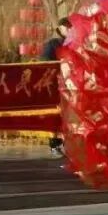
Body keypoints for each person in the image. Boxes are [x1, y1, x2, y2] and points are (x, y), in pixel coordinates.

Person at [39, 18, 71, 156]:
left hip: (72, 85)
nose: (69, 29)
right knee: (55, 115)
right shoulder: (53, 44)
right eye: (66, 27)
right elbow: (44, 63)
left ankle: (70, 145)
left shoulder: (75, 43)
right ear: (60, 29)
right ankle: (55, 145)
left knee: (70, 116)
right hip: (56, 85)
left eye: (70, 26)